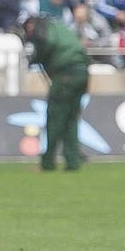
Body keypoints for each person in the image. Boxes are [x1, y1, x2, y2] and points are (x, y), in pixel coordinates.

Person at [21, 16, 90, 172]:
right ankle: (73, 161)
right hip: (82, 72)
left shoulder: (42, 28)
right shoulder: (60, 27)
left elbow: (47, 42)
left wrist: (37, 58)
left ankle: (48, 162)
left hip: (65, 74)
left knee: (55, 118)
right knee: (71, 119)